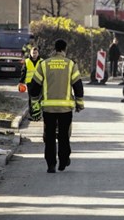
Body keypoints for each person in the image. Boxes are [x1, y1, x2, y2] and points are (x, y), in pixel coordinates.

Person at [28, 39, 84, 173]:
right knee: (64, 135)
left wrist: (35, 103)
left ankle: (51, 164)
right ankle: (63, 161)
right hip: (65, 109)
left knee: (50, 136)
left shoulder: (44, 64)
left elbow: (35, 87)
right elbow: (78, 86)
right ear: (65, 49)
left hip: (48, 108)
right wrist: (79, 103)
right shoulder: (70, 64)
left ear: (55, 49)